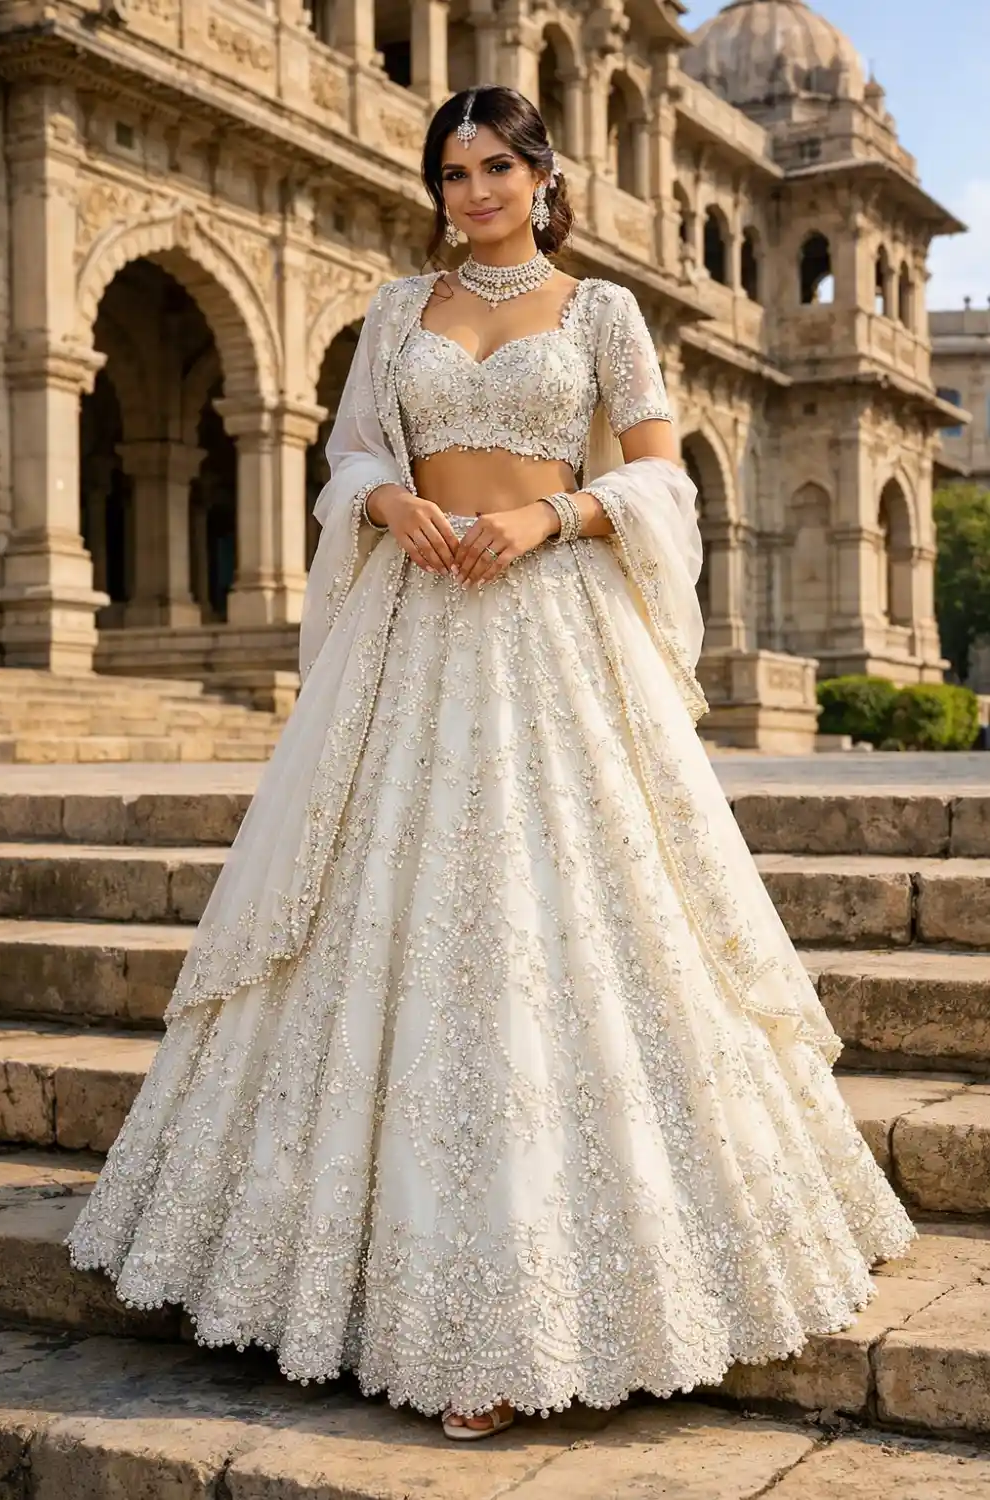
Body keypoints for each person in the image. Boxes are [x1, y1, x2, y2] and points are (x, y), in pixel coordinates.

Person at [68, 84, 914, 1442]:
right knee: (383, 919)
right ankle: (345, 1278)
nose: (470, 192)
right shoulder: (402, 310)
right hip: (410, 628)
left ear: (542, 173)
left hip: (547, 626)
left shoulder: (605, 316)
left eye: (493, 168)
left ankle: (553, 1302)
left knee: (554, 917)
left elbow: (660, 479)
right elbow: (347, 448)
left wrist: (554, 517)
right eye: (452, 171)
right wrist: (388, 497)